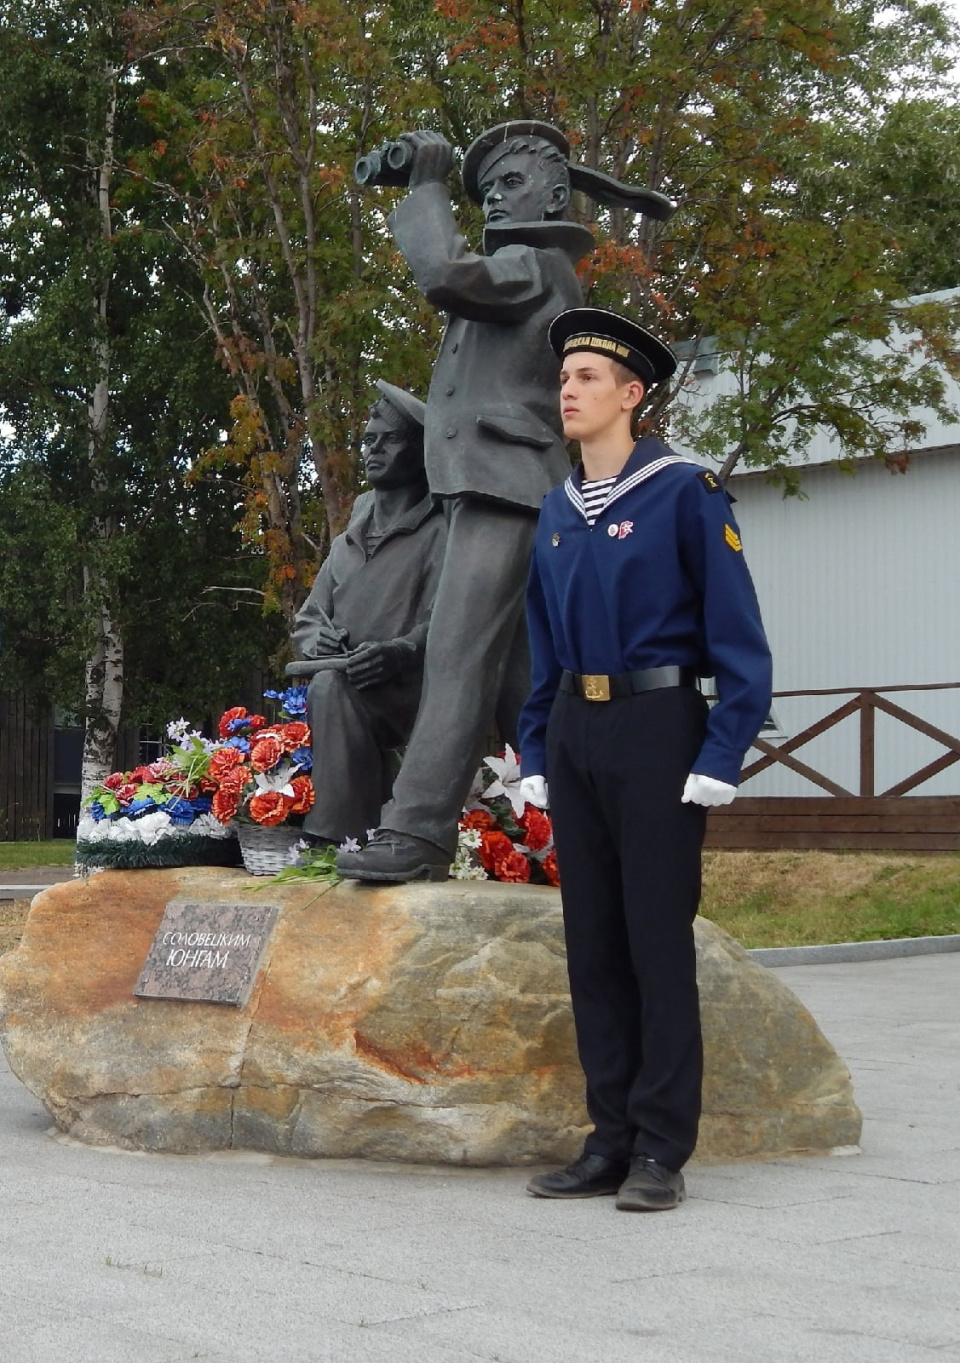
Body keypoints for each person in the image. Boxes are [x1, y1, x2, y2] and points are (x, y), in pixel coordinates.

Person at [517, 307, 773, 1211]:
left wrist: (723, 747)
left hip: (660, 726)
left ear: (631, 395)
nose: (569, 390)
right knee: (593, 947)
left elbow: (741, 637)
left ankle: (661, 1146)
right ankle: (610, 1139)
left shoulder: (684, 492)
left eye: (587, 377)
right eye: (564, 377)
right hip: (578, 732)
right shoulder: (555, 511)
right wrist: (536, 744)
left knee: (656, 944)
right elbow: (542, 644)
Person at [288, 381, 446, 847]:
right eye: (369, 440)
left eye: (389, 439)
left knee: (329, 688)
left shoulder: (441, 532)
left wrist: (400, 652)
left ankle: (331, 841)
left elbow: (449, 620)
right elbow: (309, 617)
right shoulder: (347, 541)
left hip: (410, 694)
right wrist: (317, 640)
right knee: (329, 685)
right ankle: (353, 829)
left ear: (420, 452)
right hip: (343, 684)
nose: (374, 450)